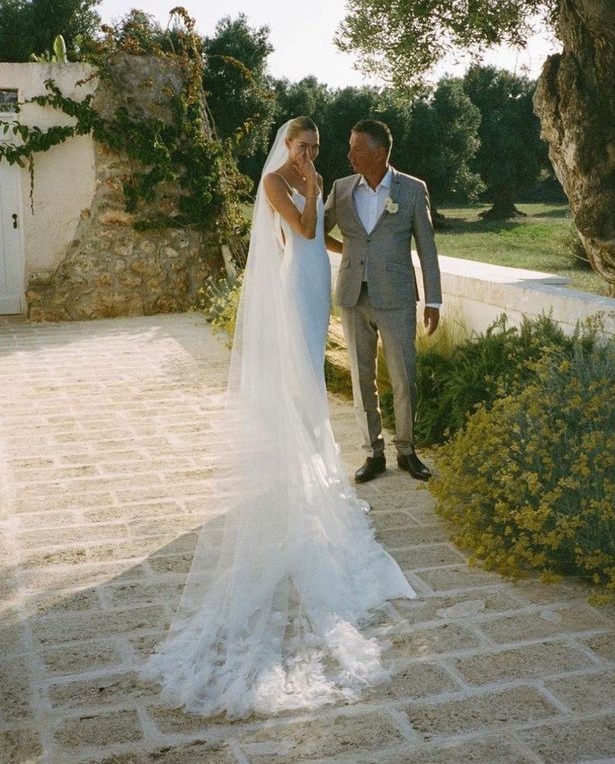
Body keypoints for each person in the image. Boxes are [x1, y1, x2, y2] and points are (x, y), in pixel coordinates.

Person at [139, 118, 415, 719]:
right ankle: (297, 469)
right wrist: (313, 185)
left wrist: (362, 247)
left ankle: (313, 466)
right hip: (297, 285)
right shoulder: (275, 182)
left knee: (310, 375)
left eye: (316, 147)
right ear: (287, 147)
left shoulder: (314, 176)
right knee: (301, 381)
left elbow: (328, 240)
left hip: (319, 277)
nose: (310, 153)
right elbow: (303, 225)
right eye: (303, 147)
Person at [324, 119, 442, 484]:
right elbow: (316, 230)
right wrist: (348, 253)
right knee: (361, 380)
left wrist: (433, 300)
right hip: (352, 295)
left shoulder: (411, 190)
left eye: (356, 149)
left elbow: (427, 247)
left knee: (404, 377)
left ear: (379, 153)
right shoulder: (342, 189)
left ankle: (407, 451)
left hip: (397, 297)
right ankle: (373, 452)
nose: (349, 156)